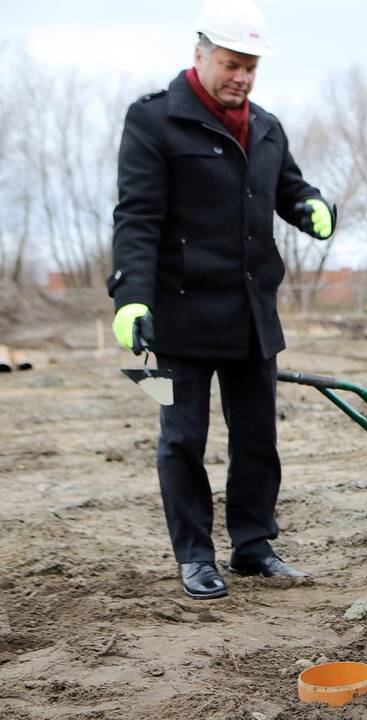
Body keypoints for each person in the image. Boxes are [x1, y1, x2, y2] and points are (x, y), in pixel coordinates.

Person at [108, 0, 336, 600]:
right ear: (201, 54)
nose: (241, 77)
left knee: (258, 436)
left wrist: (313, 206)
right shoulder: (155, 121)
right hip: (177, 317)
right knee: (181, 438)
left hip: (253, 314)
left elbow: (289, 188)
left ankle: (254, 545)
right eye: (232, 64)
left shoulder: (265, 126)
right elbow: (136, 217)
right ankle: (195, 555)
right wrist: (129, 299)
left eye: (251, 68)